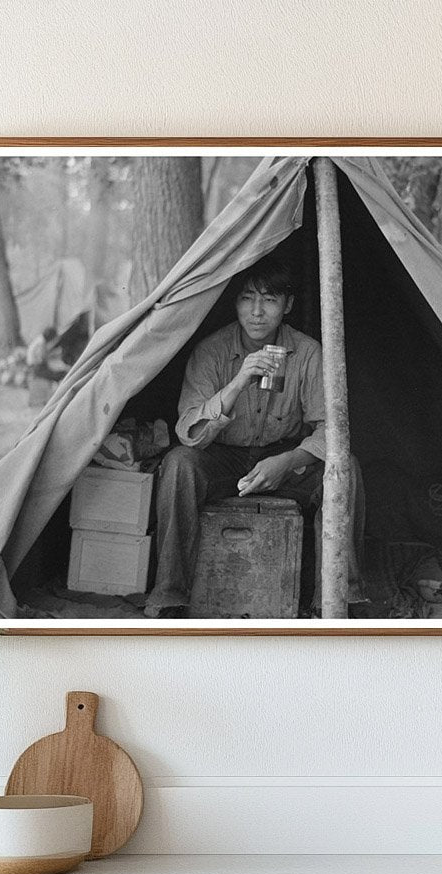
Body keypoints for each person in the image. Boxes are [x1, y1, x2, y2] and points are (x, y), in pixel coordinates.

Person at [143, 256, 364, 618]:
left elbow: (331, 431)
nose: (257, 312)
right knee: (179, 464)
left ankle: (335, 600)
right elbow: (189, 433)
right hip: (224, 460)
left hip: (284, 457)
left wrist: (288, 461)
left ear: (288, 305)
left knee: (346, 469)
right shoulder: (212, 351)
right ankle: (169, 594)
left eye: (270, 300)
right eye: (247, 298)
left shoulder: (307, 353)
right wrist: (238, 381)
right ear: (236, 302)